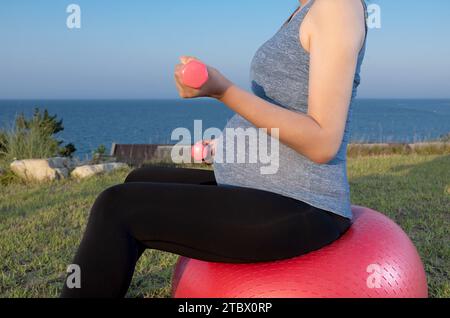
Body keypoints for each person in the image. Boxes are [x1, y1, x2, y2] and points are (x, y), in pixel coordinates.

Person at [62, 0, 368, 298]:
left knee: (116, 207)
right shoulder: (305, 9)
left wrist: (222, 90)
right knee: (138, 179)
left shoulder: (336, 6)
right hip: (266, 188)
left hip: (304, 205)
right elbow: (285, 109)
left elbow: (322, 141)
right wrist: (228, 146)